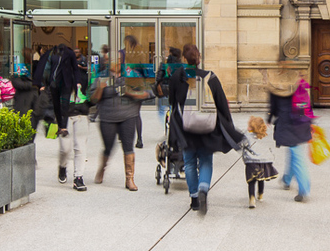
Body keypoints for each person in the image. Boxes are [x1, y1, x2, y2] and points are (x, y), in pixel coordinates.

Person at [168, 44, 244, 214]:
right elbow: (222, 103)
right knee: (205, 161)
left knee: (188, 162)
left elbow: (172, 102)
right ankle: (203, 189)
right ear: (199, 58)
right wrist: (227, 125)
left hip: (186, 127)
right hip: (207, 128)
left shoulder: (177, 77)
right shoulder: (210, 77)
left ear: (184, 59)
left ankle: (194, 198)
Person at [90, 57, 153, 190]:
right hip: (108, 117)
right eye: (111, 60)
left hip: (128, 115)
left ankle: (129, 179)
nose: (114, 62)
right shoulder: (101, 76)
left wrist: (129, 92)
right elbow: (93, 99)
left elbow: (146, 93)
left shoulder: (131, 75)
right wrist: (100, 89)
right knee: (108, 147)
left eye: (117, 60)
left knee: (128, 147)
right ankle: (102, 169)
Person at [265, 61, 314, 203]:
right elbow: (307, 103)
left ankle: (304, 190)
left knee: (296, 154)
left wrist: (268, 119)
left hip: (288, 123)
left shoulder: (276, 85)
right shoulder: (299, 82)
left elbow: (273, 107)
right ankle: (286, 179)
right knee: (294, 151)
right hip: (301, 122)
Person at [49, 47, 91, 191]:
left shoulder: (83, 77)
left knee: (80, 147)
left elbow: (90, 96)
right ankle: (62, 166)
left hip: (80, 115)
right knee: (65, 149)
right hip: (64, 117)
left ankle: (78, 177)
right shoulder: (57, 79)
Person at [240, 116, 279, 208]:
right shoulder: (264, 135)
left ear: (251, 127)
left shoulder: (246, 136)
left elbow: (242, 144)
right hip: (265, 161)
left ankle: (252, 199)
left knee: (251, 181)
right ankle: (260, 195)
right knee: (261, 178)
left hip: (251, 161)